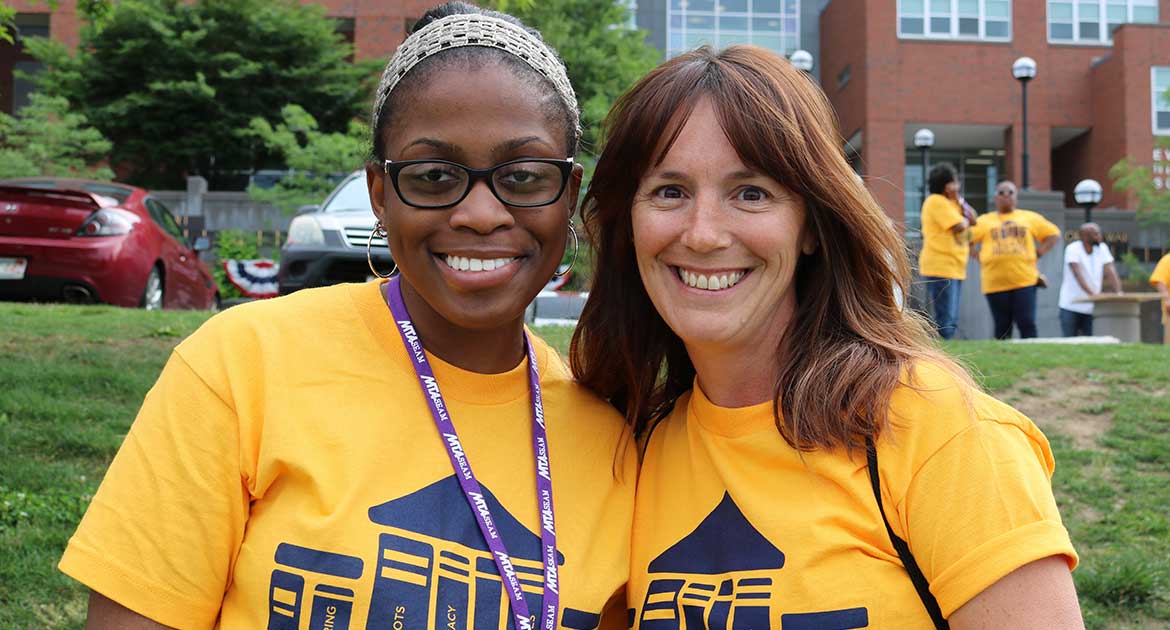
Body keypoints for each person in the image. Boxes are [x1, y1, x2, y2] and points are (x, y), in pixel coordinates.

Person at [59, 4, 635, 628]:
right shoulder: (243, 365)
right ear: (380, 196)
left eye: (522, 176)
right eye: (434, 175)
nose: (480, 213)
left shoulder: (609, 438)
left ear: (570, 196)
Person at [572, 45, 1082, 629]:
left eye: (751, 193)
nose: (704, 233)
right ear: (628, 223)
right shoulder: (632, 449)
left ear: (812, 225)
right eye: (669, 191)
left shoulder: (940, 431)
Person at [970, 181, 1061, 339]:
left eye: (1010, 192)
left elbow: (1053, 234)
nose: (1006, 196)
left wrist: (1040, 252)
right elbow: (962, 239)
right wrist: (975, 254)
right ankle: (1003, 358)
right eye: (1001, 193)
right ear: (995, 198)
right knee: (1002, 326)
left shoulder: (1029, 217)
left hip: (1024, 280)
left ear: (1016, 197)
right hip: (995, 282)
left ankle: (1032, 358)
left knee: (1026, 322)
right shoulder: (984, 220)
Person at [917, 162, 975, 339]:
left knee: (952, 315)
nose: (958, 185)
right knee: (946, 316)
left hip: (955, 266)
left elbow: (973, 219)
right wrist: (964, 221)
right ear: (946, 184)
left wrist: (960, 200)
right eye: (955, 181)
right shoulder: (936, 201)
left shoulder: (954, 204)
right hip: (940, 266)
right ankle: (944, 350)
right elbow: (959, 225)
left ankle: (947, 346)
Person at [1058, 223, 1122, 336]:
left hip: (1092, 307)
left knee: (1092, 342)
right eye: (1096, 234)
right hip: (1071, 305)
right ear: (1084, 236)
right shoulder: (1073, 249)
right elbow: (1077, 274)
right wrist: (1093, 295)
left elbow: (1110, 271)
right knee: (1069, 342)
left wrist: (1118, 292)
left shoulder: (1102, 248)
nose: (1099, 236)